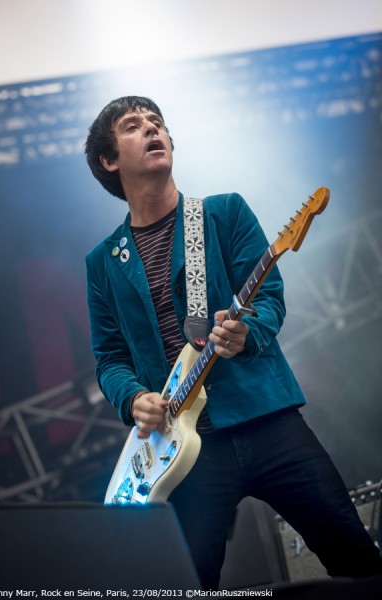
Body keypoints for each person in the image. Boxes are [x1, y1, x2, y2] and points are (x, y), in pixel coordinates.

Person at [84, 96, 382, 589]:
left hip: (266, 419)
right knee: (188, 582)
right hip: (184, 449)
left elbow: (269, 300)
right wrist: (135, 397)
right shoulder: (102, 262)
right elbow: (110, 357)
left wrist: (248, 332)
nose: (153, 129)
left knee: (355, 555)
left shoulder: (223, 213)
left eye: (157, 122)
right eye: (134, 126)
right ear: (109, 160)